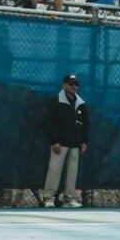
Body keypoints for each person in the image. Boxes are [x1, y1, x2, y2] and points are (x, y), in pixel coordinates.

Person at [43, 73, 89, 208]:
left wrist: (84, 141)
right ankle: (48, 198)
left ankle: (68, 199)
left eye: (76, 84)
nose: (74, 86)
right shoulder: (55, 101)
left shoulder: (81, 104)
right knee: (54, 170)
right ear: (64, 85)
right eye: (71, 84)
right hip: (59, 144)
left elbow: (84, 123)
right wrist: (54, 141)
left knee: (72, 173)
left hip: (75, 145)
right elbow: (48, 123)